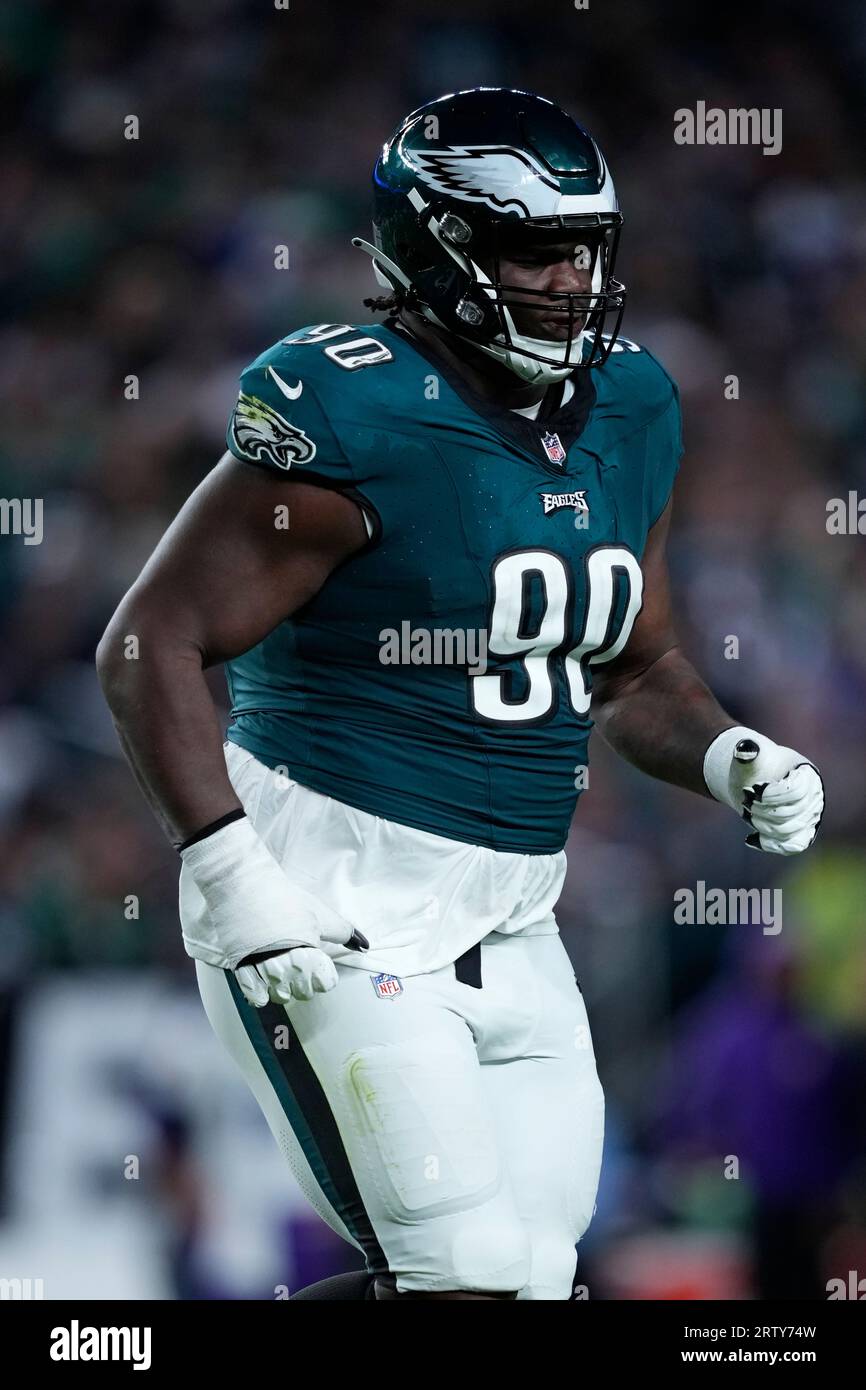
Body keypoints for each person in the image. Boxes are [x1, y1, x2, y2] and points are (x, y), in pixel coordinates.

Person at [97, 87, 824, 1300]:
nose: (569, 283)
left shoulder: (627, 404)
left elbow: (630, 661)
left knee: (536, 1280)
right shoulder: (354, 407)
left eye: (584, 250)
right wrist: (233, 872)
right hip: (334, 897)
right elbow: (147, 642)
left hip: (512, 910)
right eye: (534, 252)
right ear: (439, 248)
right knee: (464, 1274)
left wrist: (724, 754)